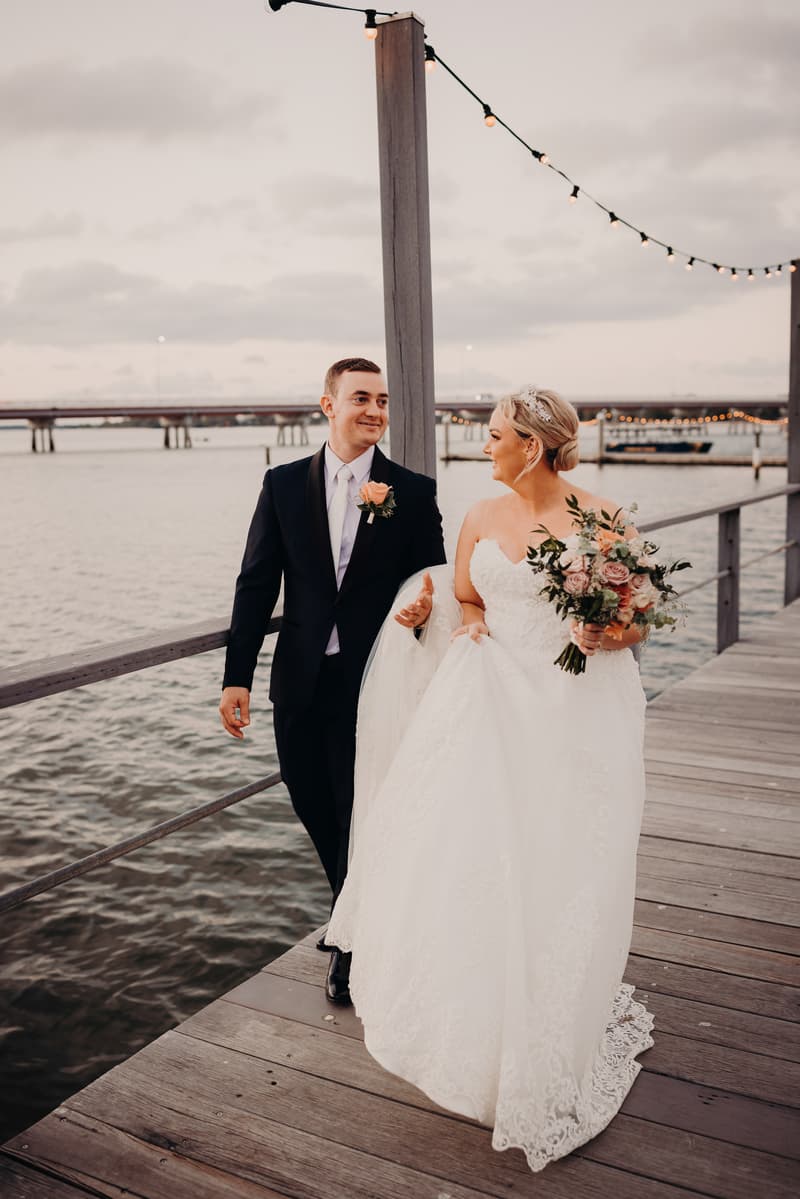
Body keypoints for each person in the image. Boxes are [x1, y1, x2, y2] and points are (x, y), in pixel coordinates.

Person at [327, 385, 654, 1172]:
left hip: (572, 707)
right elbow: (469, 593)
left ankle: (550, 1018)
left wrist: (608, 630)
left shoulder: (602, 518)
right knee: (467, 856)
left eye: (497, 434)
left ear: (532, 447)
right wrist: (461, 621)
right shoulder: (479, 514)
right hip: (484, 703)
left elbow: (638, 615)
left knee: (560, 859)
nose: (486, 445)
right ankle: (477, 1023)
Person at [219, 357, 446, 1004]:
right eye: (361, 398)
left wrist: (427, 607)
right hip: (299, 677)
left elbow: (431, 580)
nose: (375, 410)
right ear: (328, 405)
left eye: (382, 400)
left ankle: (350, 945)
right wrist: (237, 676)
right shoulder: (284, 483)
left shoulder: (413, 489)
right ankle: (353, 903)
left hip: (374, 676)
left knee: (359, 812)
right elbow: (257, 581)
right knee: (311, 799)